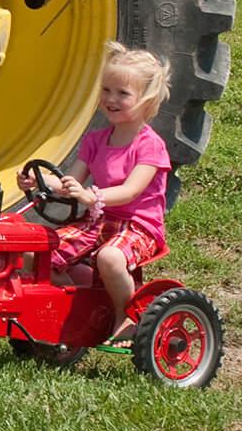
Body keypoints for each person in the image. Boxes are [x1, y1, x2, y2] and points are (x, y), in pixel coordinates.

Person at [18, 41, 174, 344]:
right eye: (106, 90)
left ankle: (126, 316)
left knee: (112, 258)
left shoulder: (149, 145)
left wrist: (93, 196)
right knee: (34, 254)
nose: (110, 99)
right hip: (98, 223)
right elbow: (68, 183)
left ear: (146, 100)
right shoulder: (96, 140)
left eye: (122, 93)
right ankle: (79, 306)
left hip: (138, 227)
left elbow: (130, 192)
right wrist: (38, 182)